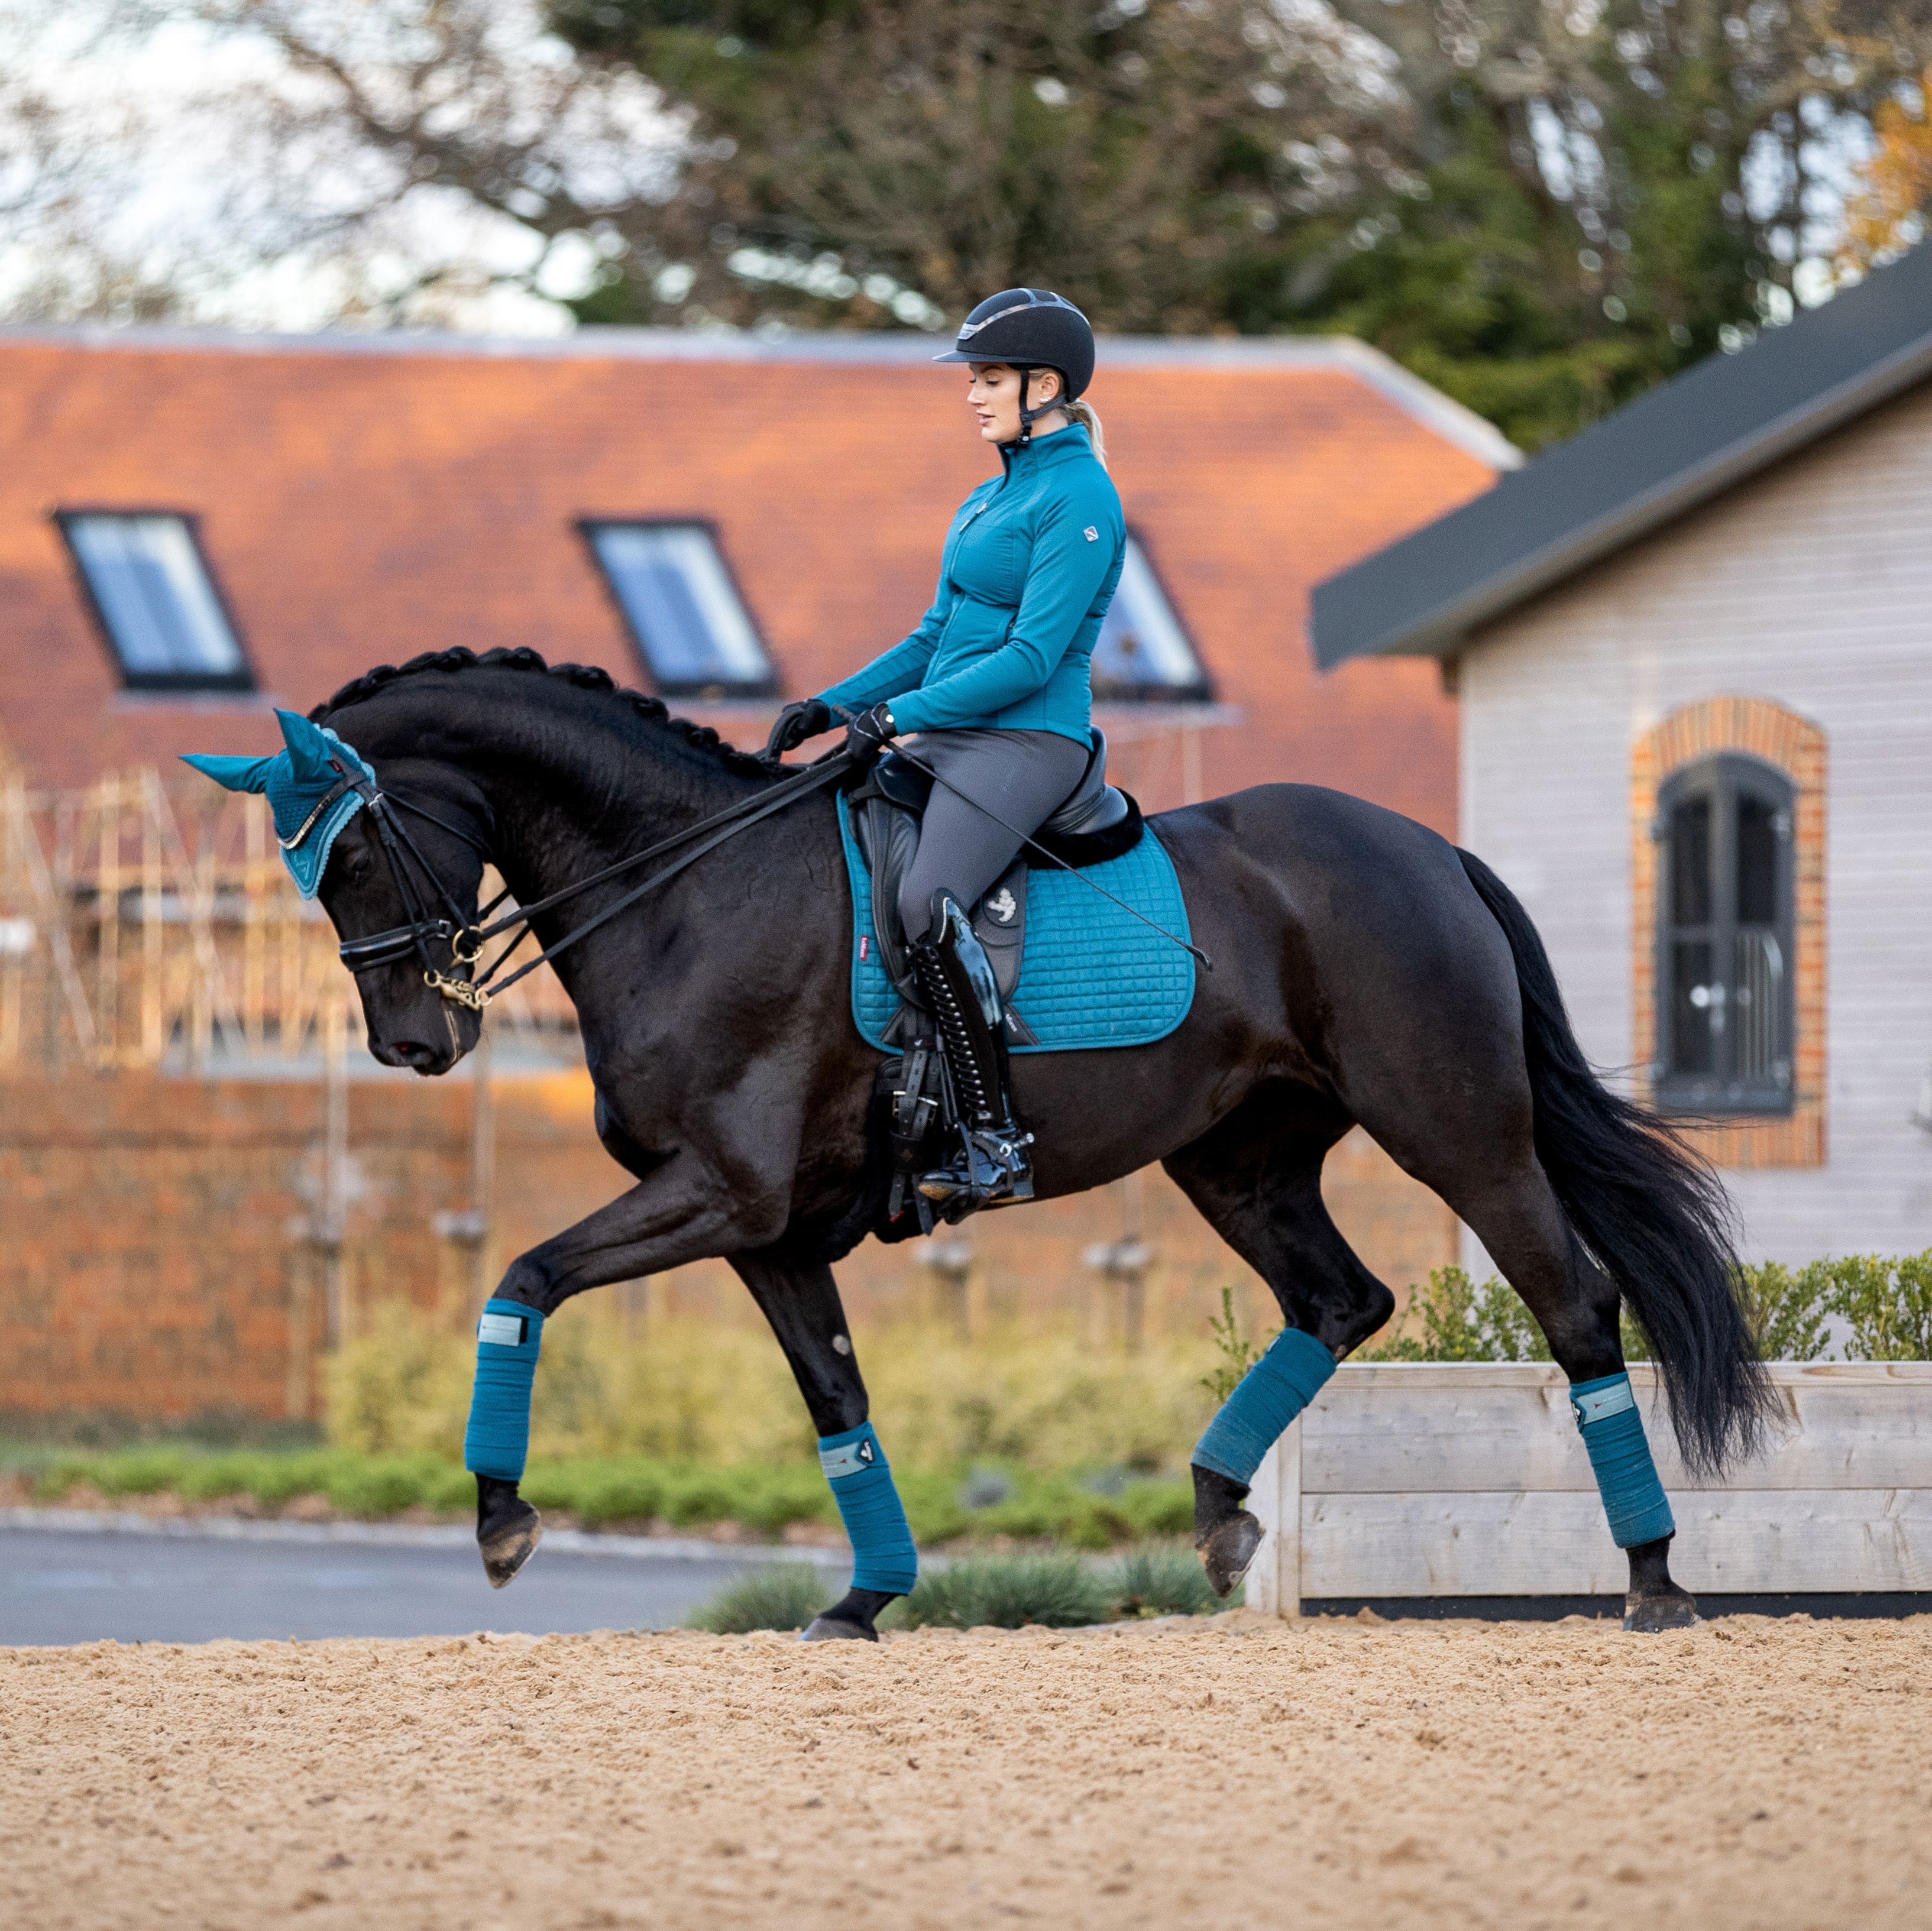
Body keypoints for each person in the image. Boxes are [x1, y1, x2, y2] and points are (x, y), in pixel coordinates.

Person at [767, 287, 1126, 1213]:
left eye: (989, 378)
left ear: (1045, 385)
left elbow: (1030, 658)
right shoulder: (991, 494)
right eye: (972, 377)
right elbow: (936, 634)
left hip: (1028, 738)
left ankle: (995, 1137)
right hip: (954, 728)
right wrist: (833, 703)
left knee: (929, 895)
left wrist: (899, 717)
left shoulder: (1081, 496)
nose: (972, 394)